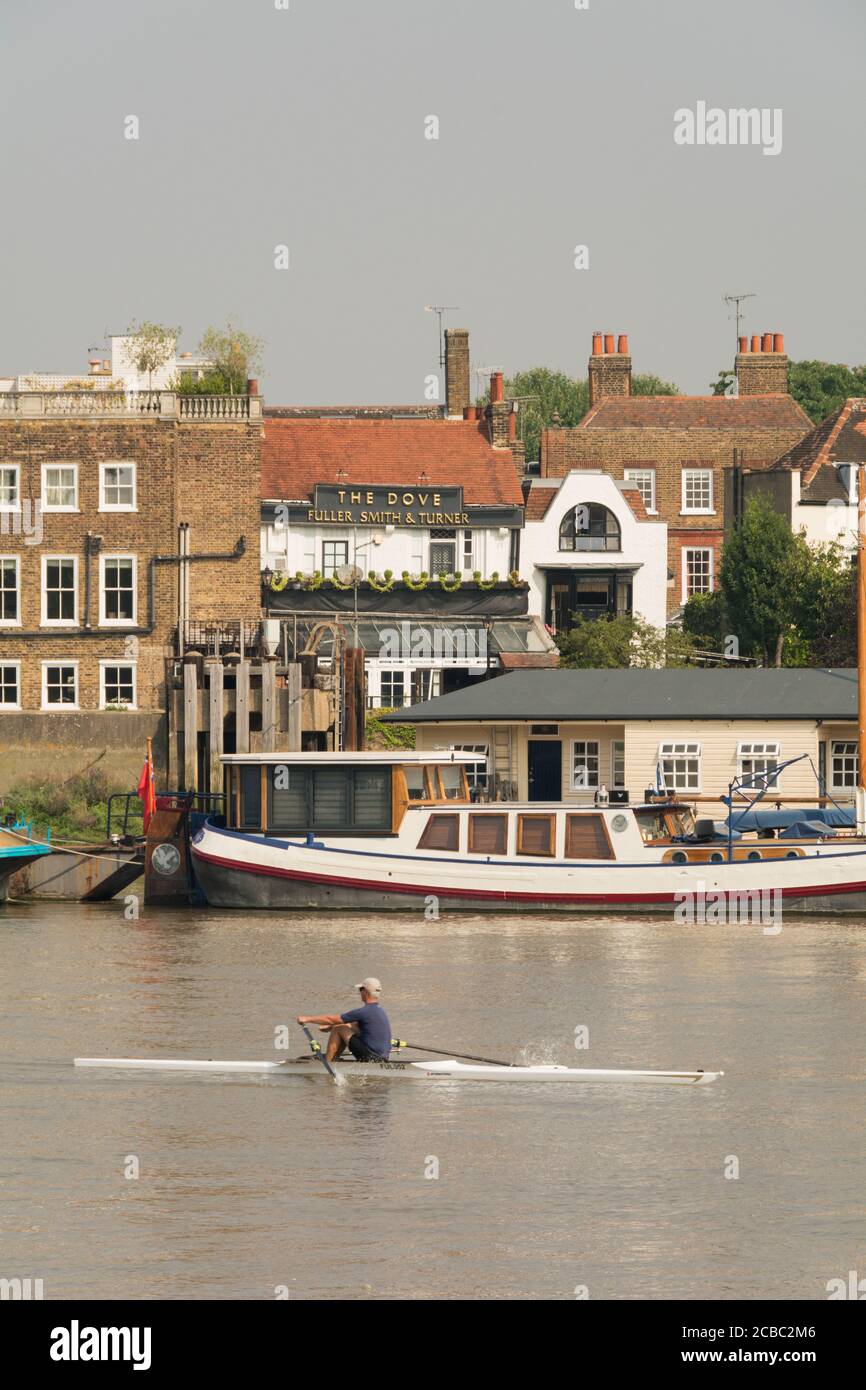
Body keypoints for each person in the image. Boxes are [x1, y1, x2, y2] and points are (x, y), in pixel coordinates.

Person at [297, 978, 392, 1063]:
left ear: (365, 992)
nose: (360, 993)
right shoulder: (379, 1010)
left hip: (371, 1058)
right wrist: (330, 1027)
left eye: (360, 989)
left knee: (339, 1029)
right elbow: (352, 1025)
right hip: (382, 1058)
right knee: (340, 1027)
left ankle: (328, 1063)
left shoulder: (364, 1011)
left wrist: (306, 1019)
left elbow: (331, 1019)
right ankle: (334, 1058)